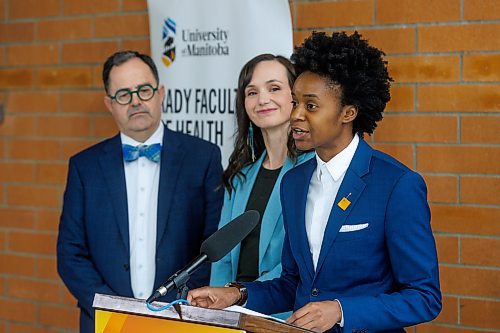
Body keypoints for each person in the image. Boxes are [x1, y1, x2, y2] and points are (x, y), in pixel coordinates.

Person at [187, 31, 442, 333]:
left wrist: (341, 311)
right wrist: (237, 294)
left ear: (348, 112)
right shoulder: (293, 183)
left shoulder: (397, 185)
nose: (295, 115)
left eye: (310, 106)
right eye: (295, 102)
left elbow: (424, 297)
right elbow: (293, 284)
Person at [57, 50, 223, 332]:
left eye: (143, 90)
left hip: (182, 319)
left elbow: (213, 245)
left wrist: (179, 304)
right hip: (105, 321)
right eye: (123, 94)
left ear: (161, 93)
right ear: (109, 104)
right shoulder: (84, 166)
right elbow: (70, 252)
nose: (135, 101)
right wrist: (112, 308)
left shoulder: (202, 157)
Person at [210, 54, 313, 318]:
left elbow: (302, 262)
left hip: (285, 314)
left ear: (296, 95)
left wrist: (244, 295)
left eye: (274, 88)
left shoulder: (315, 171)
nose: (262, 99)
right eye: (252, 92)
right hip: (233, 315)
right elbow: (221, 258)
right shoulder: (239, 178)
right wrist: (218, 310)